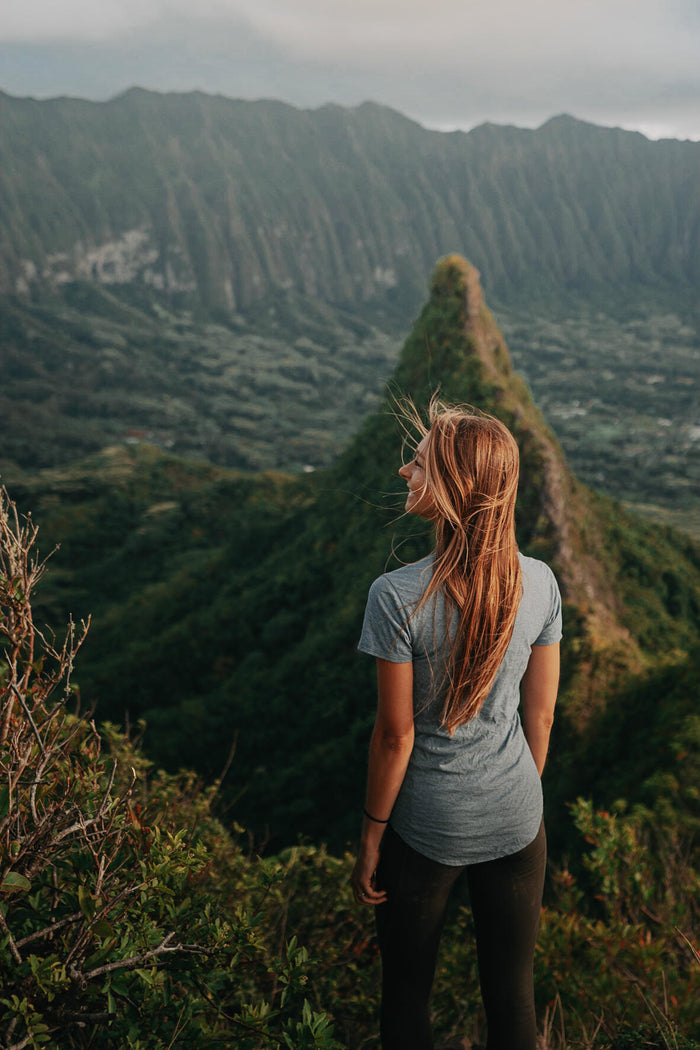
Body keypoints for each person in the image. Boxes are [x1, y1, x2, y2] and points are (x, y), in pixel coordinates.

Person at [351, 399, 562, 1050]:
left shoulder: (397, 597)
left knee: (409, 996)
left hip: (427, 829)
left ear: (452, 488)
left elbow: (395, 736)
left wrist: (370, 836)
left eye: (417, 462)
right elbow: (542, 713)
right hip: (518, 817)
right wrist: (514, 792)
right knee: (512, 996)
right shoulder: (542, 583)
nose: (403, 470)